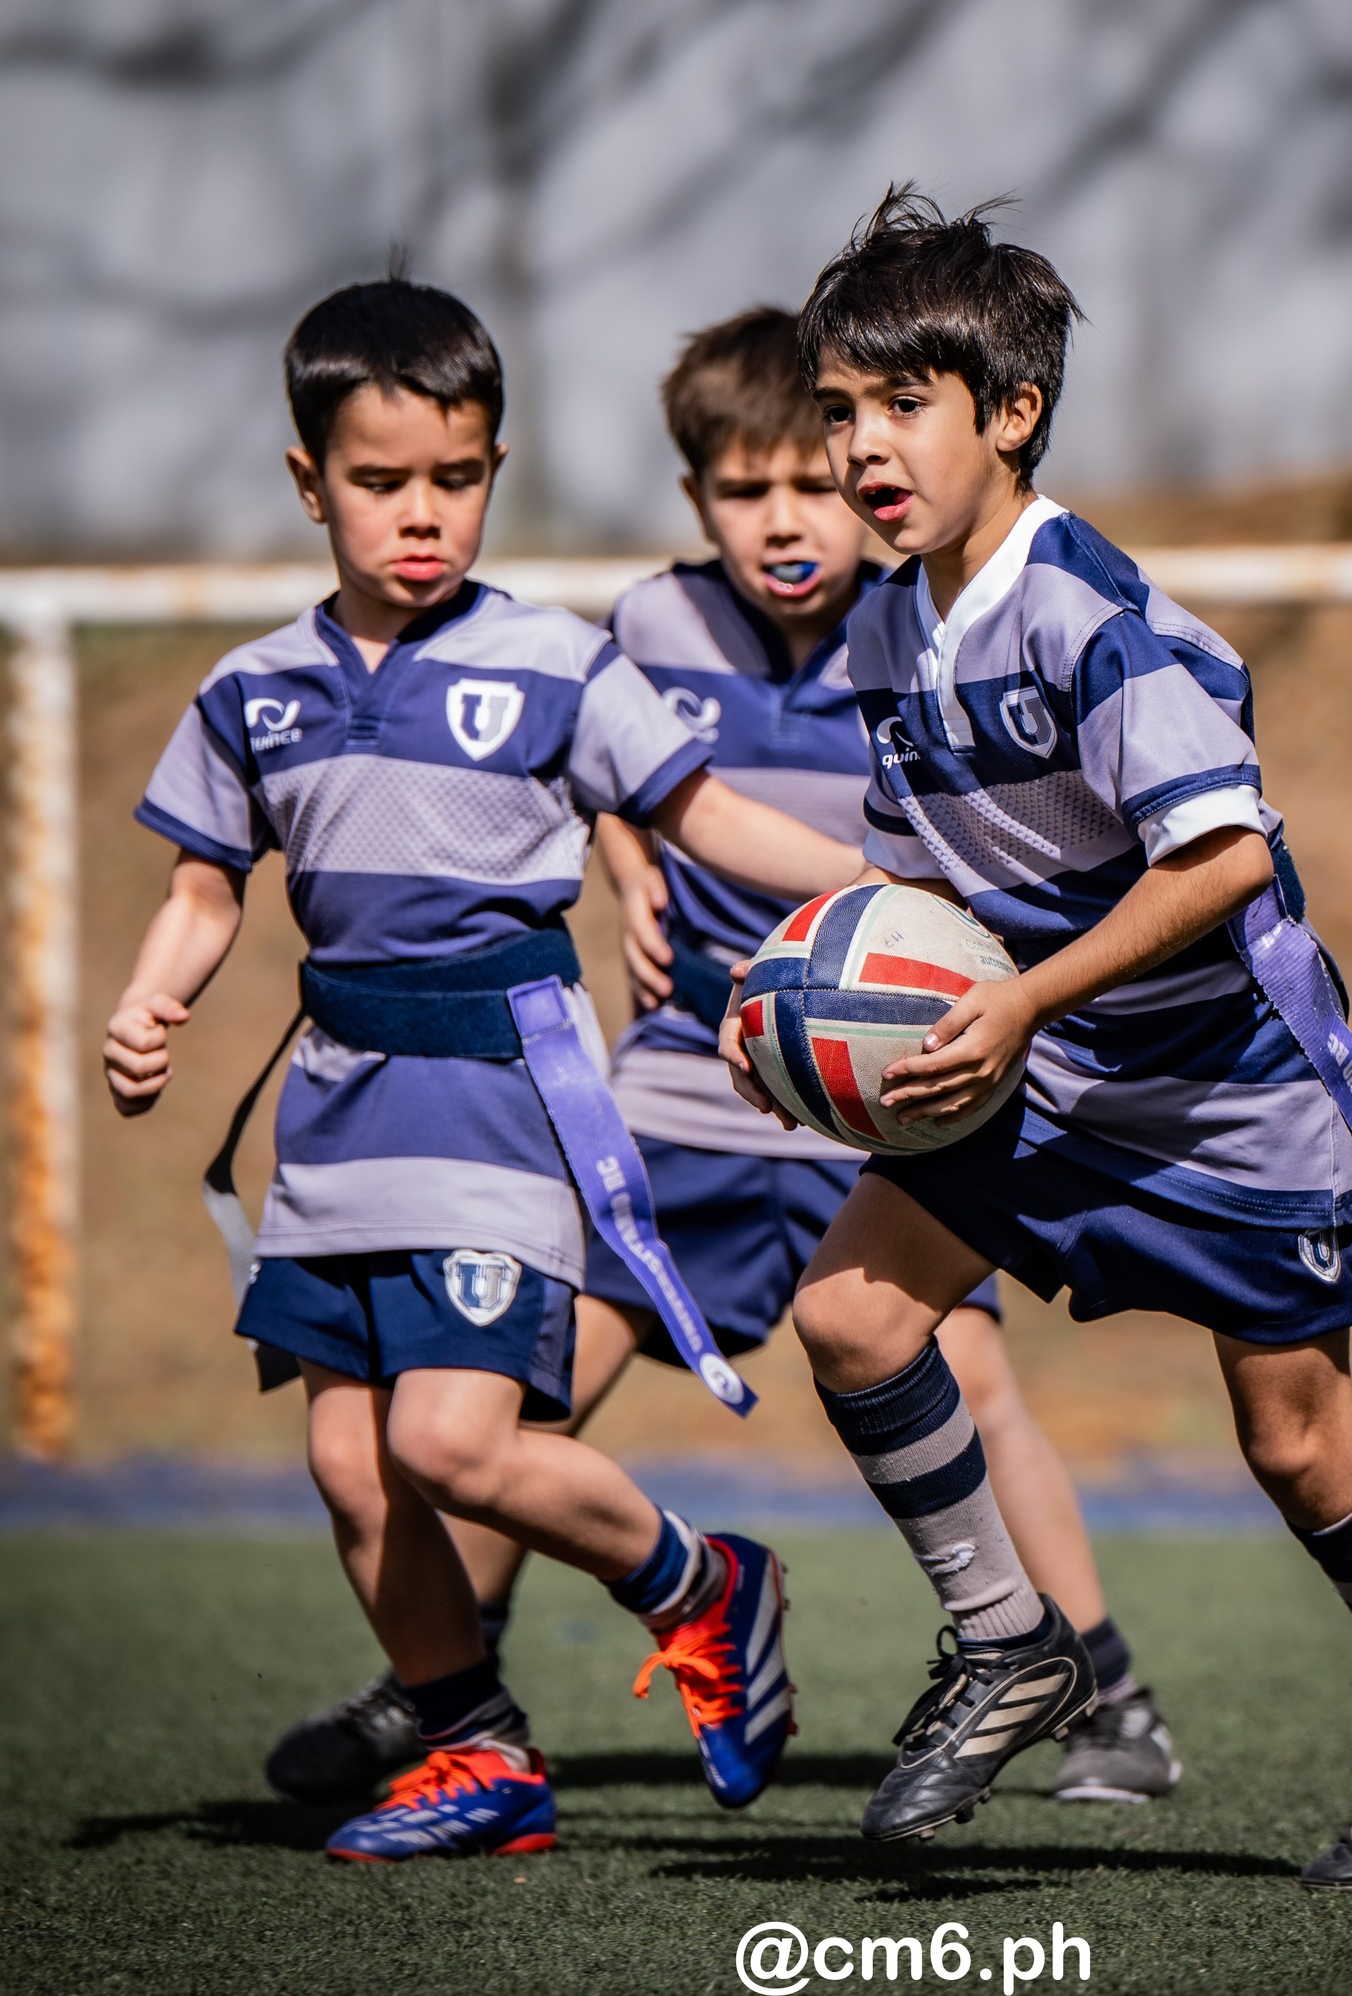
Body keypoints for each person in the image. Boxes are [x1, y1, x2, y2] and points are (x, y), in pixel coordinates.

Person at [264, 307, 1181, 1814]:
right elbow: (603, 766)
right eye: (742, 495)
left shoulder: (923, 632)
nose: (783, 524)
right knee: (514, 1397)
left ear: (856, 471)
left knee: (970, 1383)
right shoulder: (648, 629)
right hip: (682, 1093)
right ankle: (440, 1682)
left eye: (810, 487)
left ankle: (1107, 1692)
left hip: (872, 1124)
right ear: (697, 499)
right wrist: (625, 875)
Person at [721, 190, 1352, 1882]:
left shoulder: (1081, 615)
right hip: (1049, 1066)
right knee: (854, 1315)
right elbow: (906, 884)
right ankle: (1013, 1641)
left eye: (903, 409)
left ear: (1011, 416)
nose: (863, 449)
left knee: (1297, 1442)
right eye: (842, 411)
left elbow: (1227, 857)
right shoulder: (890, 623)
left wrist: (1015, 998)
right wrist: (786, 1016)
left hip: (1229, 1088)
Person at [103, 278, 862, 1862]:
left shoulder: (554, 665)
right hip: (333, 1113)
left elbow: (703, 813)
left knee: (450, 1446)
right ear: (312, 483)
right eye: (382, 484)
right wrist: (150, 1001)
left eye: (455, 479)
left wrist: (879, 897)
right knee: (351, 1467)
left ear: (492, 470)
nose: (421, 514)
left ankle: (705, 1585)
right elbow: (200, 888)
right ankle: (482, 1753)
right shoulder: (256, 689)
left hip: (500, 1102)